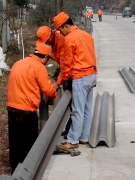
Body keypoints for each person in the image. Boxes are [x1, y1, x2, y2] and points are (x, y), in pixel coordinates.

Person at [6, 43, 58, 174]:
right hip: (26, 111)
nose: (47, 63)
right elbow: (48, 90)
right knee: (29, 145)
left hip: (12, 108)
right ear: (45, 57)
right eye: (48, 59)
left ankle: (15, 172)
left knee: (15, 144)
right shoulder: (38, 67)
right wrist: (55, 86)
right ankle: (29, 172)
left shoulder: (18, 63)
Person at [53, 12, 97, 149]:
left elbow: (66, 65)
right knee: (87, 109)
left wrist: (60, 81)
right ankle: (84, 137)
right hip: (92, 75)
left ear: (66, 26)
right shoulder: (87, 35)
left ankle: (72, 141)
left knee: (77, 110)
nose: (61, 33)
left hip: (80, 77)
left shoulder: (69, 39)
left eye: (61, 30)